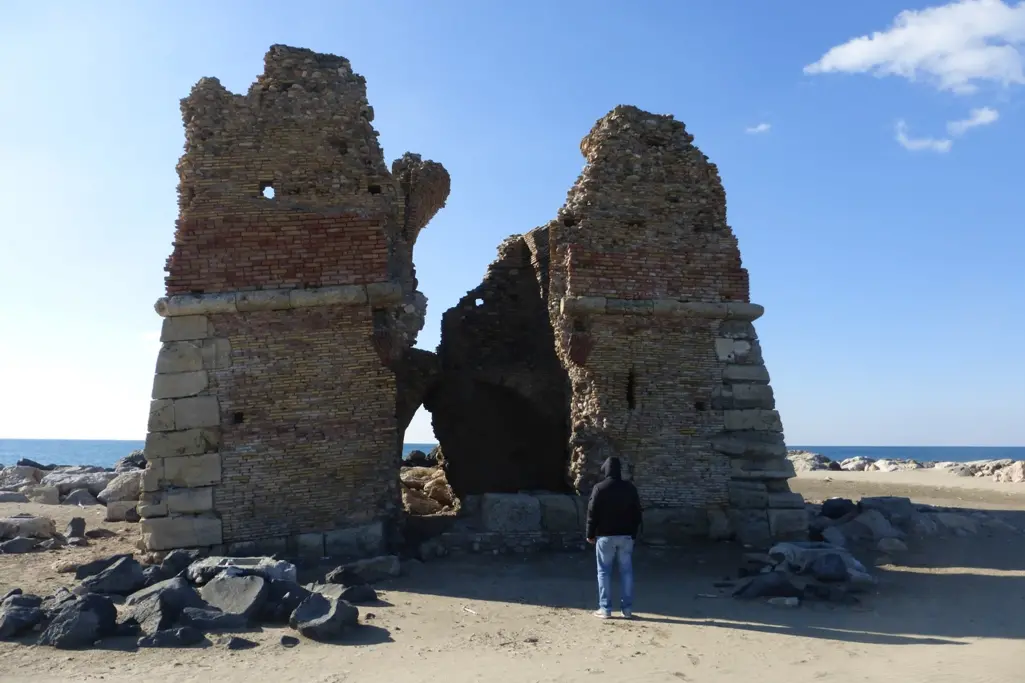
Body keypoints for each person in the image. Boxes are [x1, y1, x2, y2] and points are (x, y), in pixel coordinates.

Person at [585, 456, 643, 619]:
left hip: (605, 537)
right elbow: (637, 513)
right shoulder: (630, 488)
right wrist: (633, 533)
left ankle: (605, 609)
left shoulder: (599, 488)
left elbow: (592, 513)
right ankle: (627, 609)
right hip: (625, 537)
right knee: (626, 572)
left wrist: (590, 534)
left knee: (604, 572)